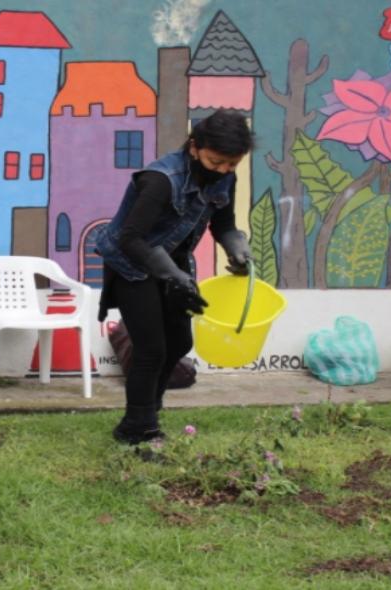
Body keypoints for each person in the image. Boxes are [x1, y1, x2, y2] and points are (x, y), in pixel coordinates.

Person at [95, 109, 254, 444]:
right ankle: (138, 428)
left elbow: (223, 224)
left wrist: (236, 248)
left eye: (231, 165)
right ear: (195, 147)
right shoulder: (160, 180)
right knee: (151, 347)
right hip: (131, 264)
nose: (223, 170)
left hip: (172, 262)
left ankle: (147, 409)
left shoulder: (225, 176)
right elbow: (130, 238)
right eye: (215, 162)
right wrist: (172, 275)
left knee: (180, 341)